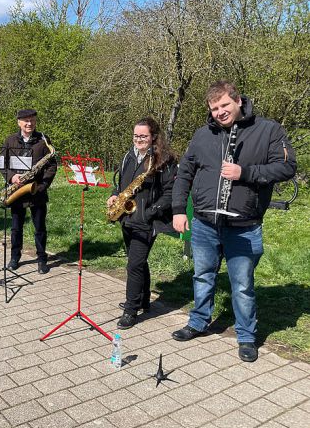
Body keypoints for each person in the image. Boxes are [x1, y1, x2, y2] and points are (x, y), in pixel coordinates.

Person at [171, 80, 296, 362]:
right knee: (202, 275)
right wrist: (179, 209)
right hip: (204, 223)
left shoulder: (268, 130)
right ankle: (198, 321)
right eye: (214, 108)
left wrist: (245, 173)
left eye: (225, 105)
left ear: (238, 101)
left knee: (241, 285)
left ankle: (246, 336)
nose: (220, 112)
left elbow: (287, 166)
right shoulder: (202, 134)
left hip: (244, 225)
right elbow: (185, 173)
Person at [107, 117, 177, 329]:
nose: (138, 139)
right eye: (136, 135)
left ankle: (131, 310)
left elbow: (170, 193)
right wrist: (115, 195)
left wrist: (149, 213)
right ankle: (143, 299)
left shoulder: (164, 159)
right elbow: (121, 183)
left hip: (147, 219)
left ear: (153, 136)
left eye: (143, 136)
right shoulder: (129, 155)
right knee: (137, 260)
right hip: (127, 216)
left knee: (134, 265)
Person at [3, 109, 57, 274]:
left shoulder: (43, 140)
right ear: (19, 122)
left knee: (39, 228)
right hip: (17, 191)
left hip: (37, 191)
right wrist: (11, 177)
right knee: (16, 228)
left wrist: (42, 186)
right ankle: (14, 257)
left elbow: (52, 166)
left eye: (32, 120)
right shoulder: (10, 140)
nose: (29, 124)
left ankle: (42, 259)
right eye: (26, 121)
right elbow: (2, 163)